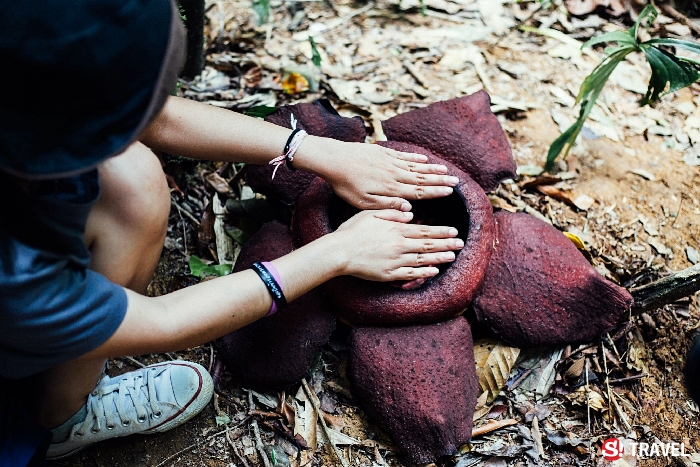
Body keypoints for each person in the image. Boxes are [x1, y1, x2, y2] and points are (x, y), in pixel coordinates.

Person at [0, 0, 464, 464]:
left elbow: (154, 117)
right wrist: (338, 251)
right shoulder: (17, 279)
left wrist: (315, 150)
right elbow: (162, 321)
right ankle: (58, 418)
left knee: (130, 177)